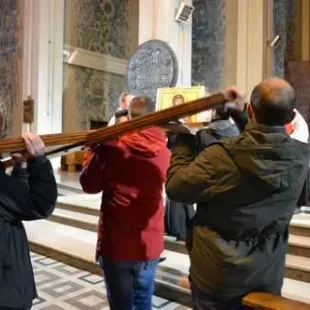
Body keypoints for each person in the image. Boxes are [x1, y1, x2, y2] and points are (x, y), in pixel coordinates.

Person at [165, 78, 310, 309]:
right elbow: (260, 143)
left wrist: (184, 139)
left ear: (250, 109)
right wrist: (238, 114)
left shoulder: (221, 157)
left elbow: (176, 187)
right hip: (266, 272)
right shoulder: (302, 156)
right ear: (292, 117)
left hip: (219, 275)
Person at [80, 96, 171, 310]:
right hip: (148, 242)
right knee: (143, 302)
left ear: (128, 116)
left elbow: (88, 184)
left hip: (116, 243)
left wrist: (95, 151)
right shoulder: (165, 150)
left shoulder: (113, 146)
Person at [0, 133, 58, 310]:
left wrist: (20, 169)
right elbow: (40, 204)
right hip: (6, 288)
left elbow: (10, 204)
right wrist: (39, 161)